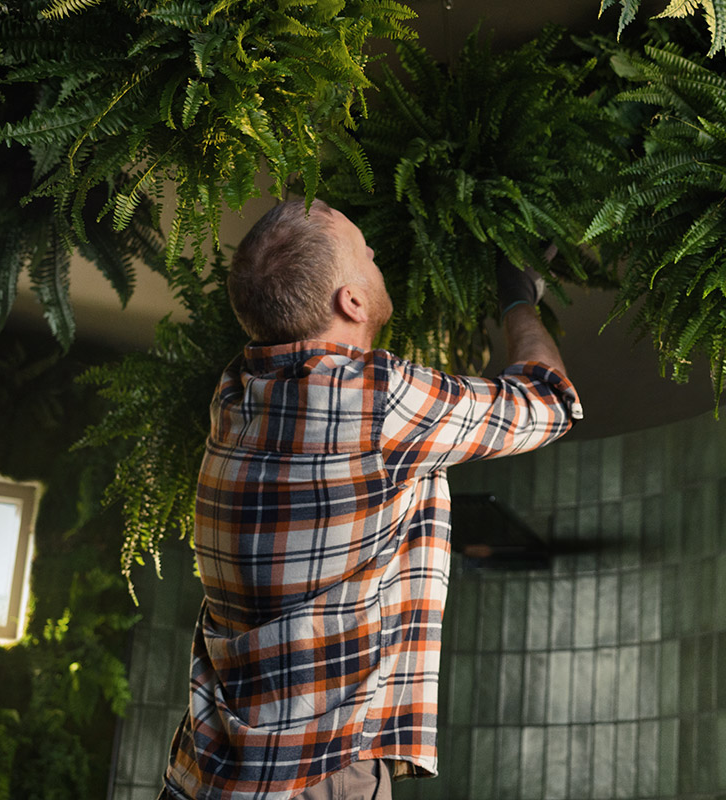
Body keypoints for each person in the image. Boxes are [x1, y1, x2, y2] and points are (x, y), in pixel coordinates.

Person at [160, 199, 582, 800]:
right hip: (316, 778)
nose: (377, 254)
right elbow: (549, 401)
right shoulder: (375, 401)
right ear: (350, 302)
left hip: (216, 773)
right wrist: (518, 296)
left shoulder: (235, 398)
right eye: (365, 251)